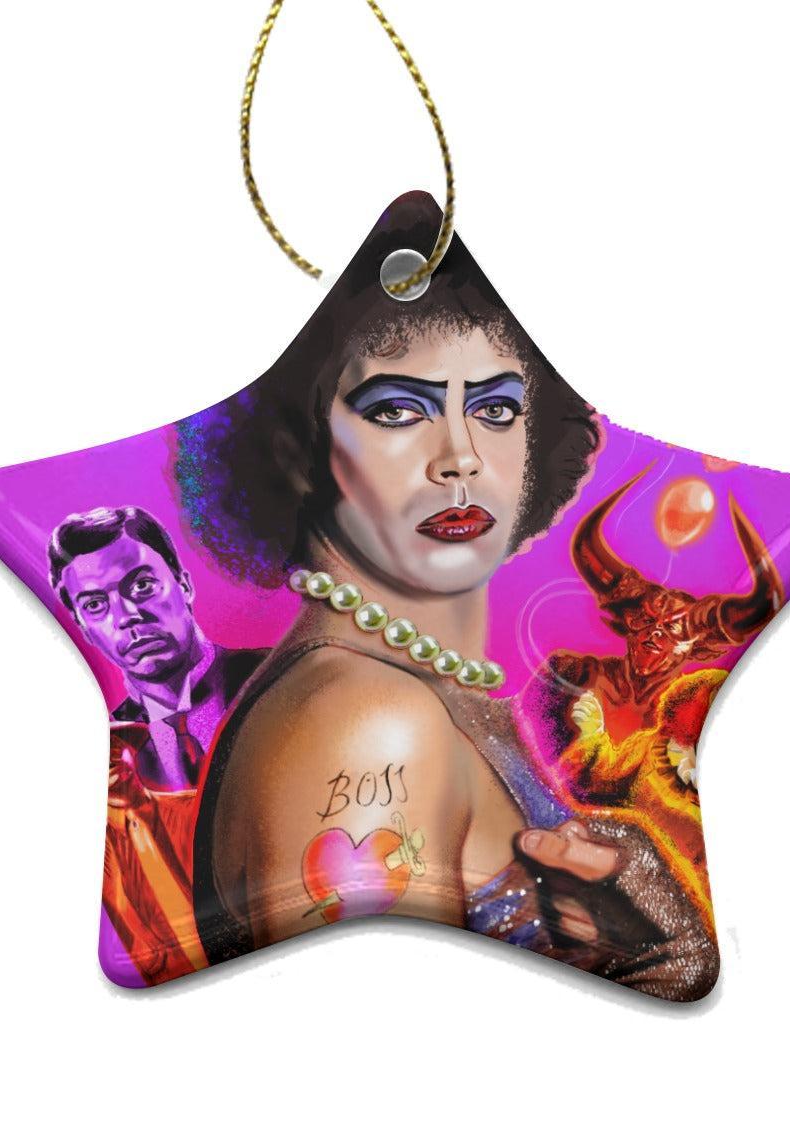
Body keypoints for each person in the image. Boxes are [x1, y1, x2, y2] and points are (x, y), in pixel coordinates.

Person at [176, 193, 719, 1000]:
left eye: (495, 408)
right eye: (399, 409)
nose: (459, 456)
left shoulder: (424, 692)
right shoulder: (371, 723)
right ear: (298, 447)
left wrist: (664, 960)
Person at [48, 505, 264, 983]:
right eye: (96, 606)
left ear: (183, 584)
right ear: (83, 628)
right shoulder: (110, 760)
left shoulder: (283, 682)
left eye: (142, 585)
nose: (127, 616)